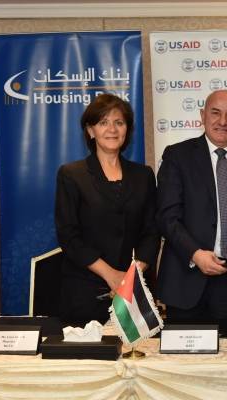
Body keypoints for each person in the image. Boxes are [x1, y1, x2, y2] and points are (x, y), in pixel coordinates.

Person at [156, 89, 227, 322]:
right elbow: (167, 217)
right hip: (187, 281)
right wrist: (195, 254)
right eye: (215, 113)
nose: (222, 121)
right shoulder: (177, 156)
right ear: (202, 115)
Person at [55, 93, 160, 325]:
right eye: (103, 122)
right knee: (90, 350)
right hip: (85, 292)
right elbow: (68, 236)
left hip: (134, 289)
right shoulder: (72, 175)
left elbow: (152, 231)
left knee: (138, 349)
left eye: (119, 122)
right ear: (90, 130)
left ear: (127, 130)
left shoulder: (143, 175)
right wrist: (111, 275)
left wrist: (132, 276)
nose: (112, 129)